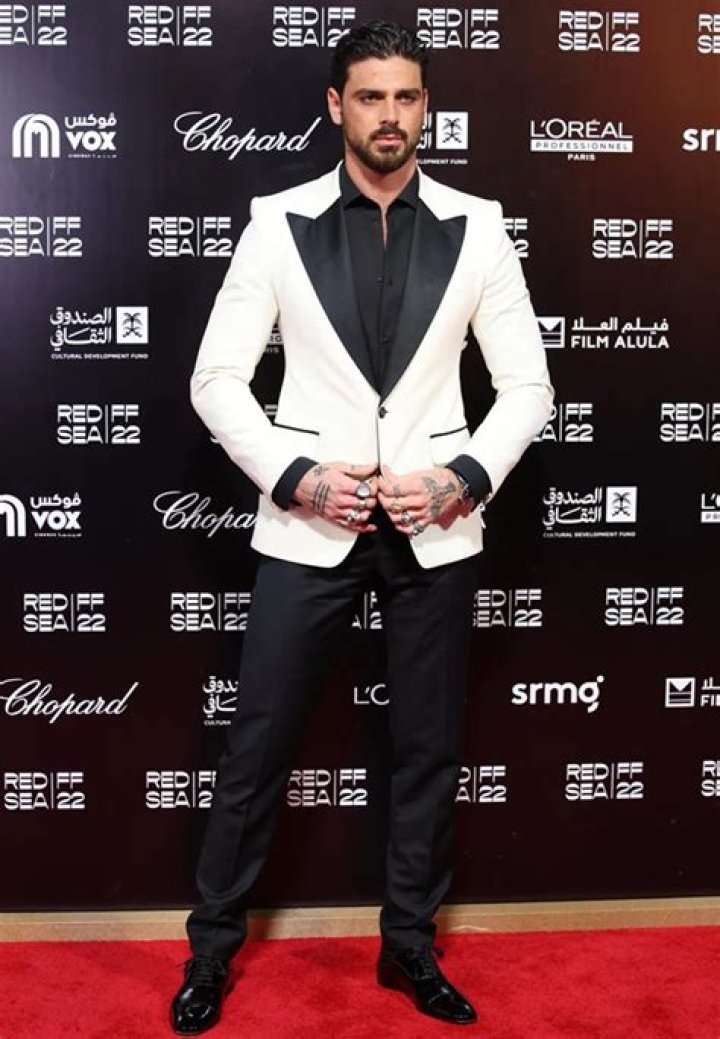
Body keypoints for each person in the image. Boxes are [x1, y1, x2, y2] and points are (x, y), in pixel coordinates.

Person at [171, 19, 553, 1035]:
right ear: (337, 105)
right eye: (372, 96)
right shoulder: (276, 222)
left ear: (426, 107)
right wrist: (298, 476)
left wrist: (461, 477)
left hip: (435, 526)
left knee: (427, 749)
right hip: (310, 526)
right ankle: (210, 951)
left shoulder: (479, 226)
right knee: (258, 745)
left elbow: (527, 386)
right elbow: (216, 378)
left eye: (407, 97)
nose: (391, 115)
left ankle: (409, 946)